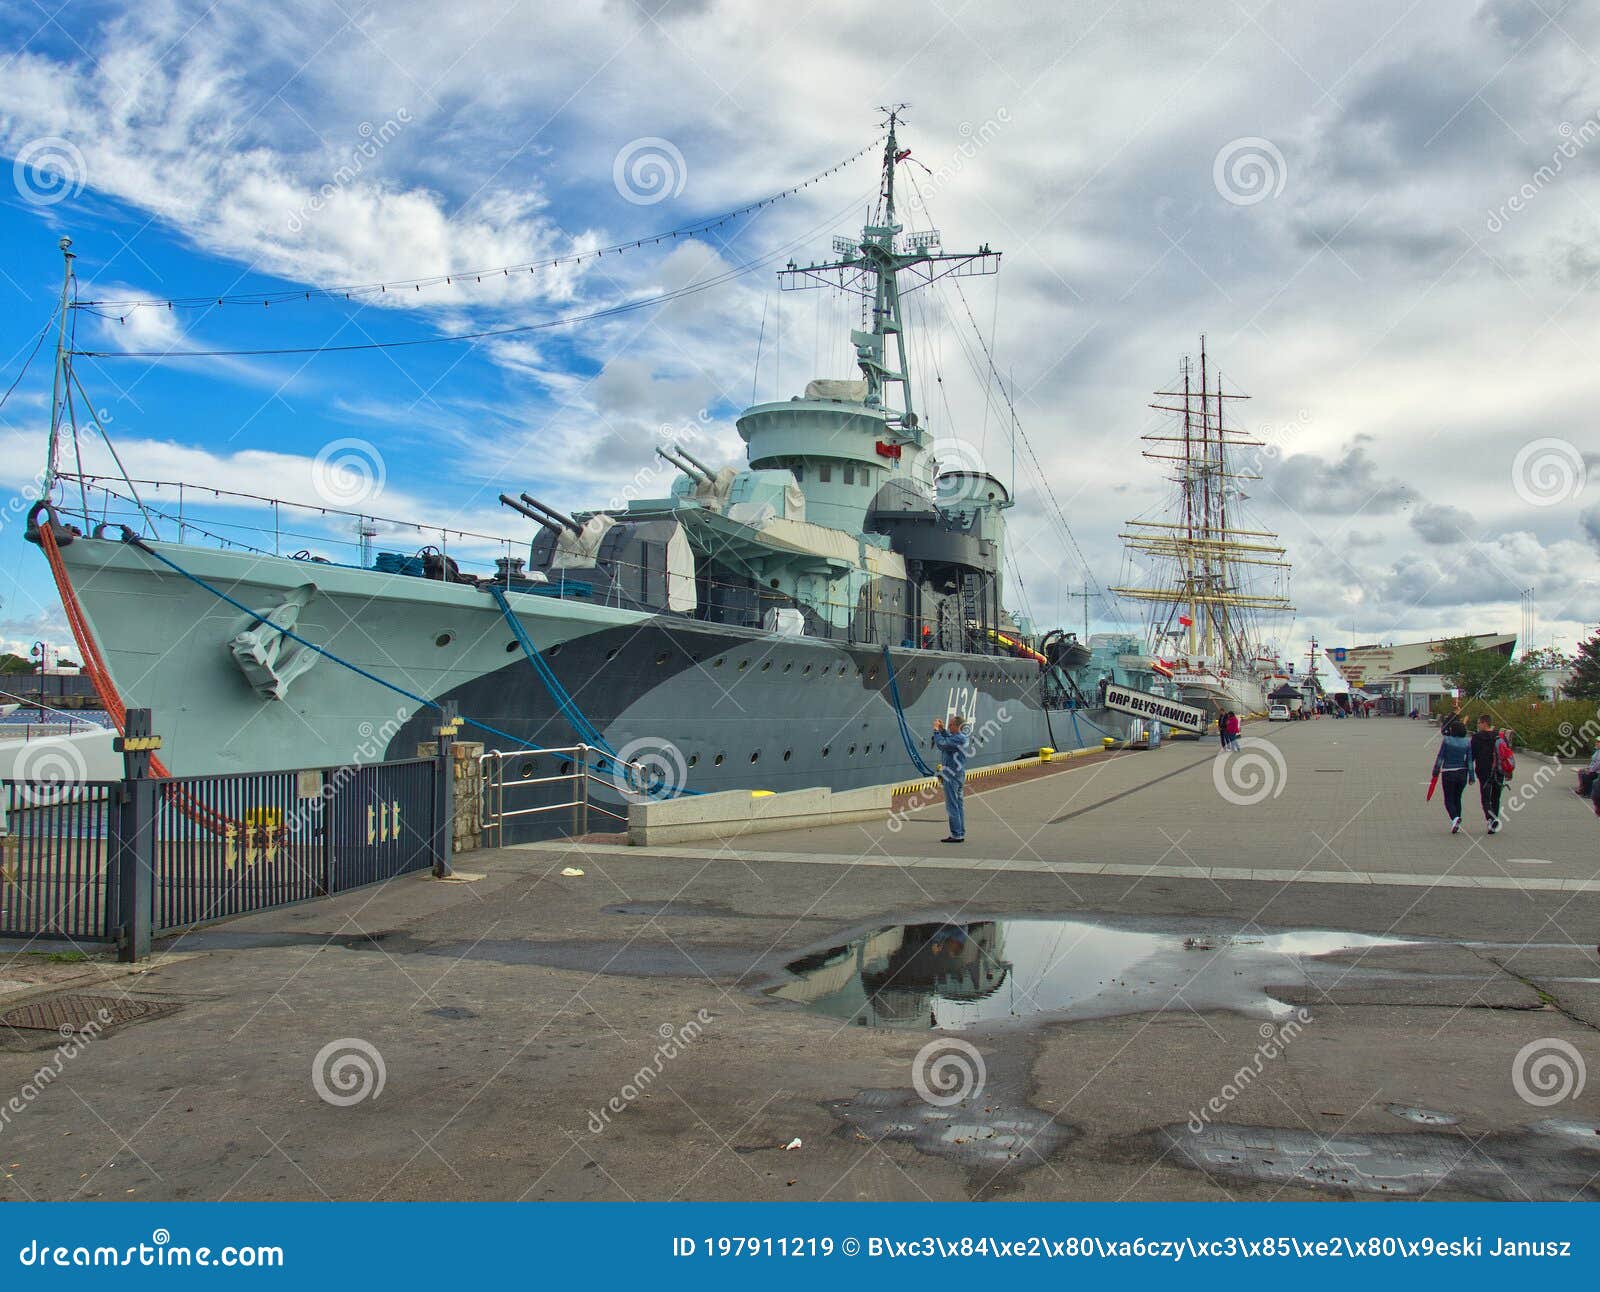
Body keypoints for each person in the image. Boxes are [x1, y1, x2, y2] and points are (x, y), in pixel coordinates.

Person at [1431, 717, 1475, 834]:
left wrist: (1435, 770)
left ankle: (1455, 818)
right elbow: (1470, 760)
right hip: (1462, 773)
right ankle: (1457, 821)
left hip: (1448, 773)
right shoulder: (1467, 742)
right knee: (1457, 798)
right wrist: (1471, 776)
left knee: (1448, 799)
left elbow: (1441, 757)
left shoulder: (1447, 741)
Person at [931, 714, 970, 844]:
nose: (948, 725)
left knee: (952, 805)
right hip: (959, 774)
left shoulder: (957, 739)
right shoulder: (961, 737)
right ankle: (960, 832)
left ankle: (956, 834)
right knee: (958, 805)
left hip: (951, 776)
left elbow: (942, 744)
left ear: (957, 726)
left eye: (951, 724)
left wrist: (936, 731)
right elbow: (949, 739)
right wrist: (942, 730)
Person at [1469, 715, 1504, 834]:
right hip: (1499, 771)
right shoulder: (1499, 736)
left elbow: (1472, 755)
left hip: (1483, 771)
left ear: (1484, 723)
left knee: (1485, 798)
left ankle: (1491, 819)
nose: (1478, 725)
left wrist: (1469, 771)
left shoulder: (1476, 737)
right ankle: (1493, 821)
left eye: (1479, 723)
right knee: (1496, 797)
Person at [1577, 735, 1600, 801]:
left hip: (1597, 771)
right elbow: (1593, 762)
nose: (1596, 743)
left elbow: (1598, 764)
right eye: (1597, 741)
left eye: (1598, 742)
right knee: (1582, 772)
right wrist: (1588, 768)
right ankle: (1583, 790)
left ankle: (1589, 793)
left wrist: (1590, 770)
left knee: (1586, 776)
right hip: (1595, 770)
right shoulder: (1597, 750)